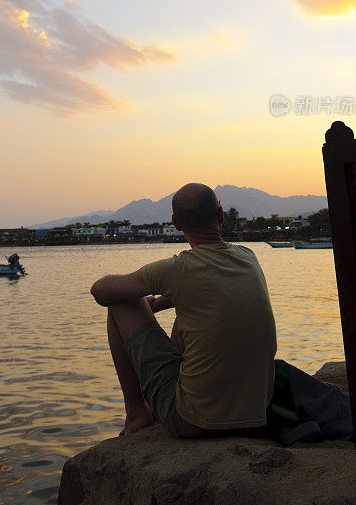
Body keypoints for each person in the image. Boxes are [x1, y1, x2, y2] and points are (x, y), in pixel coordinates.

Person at [90, 182, 277, 439]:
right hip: (256, 413)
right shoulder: (248, 257)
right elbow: (206, 289)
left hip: (194, 420)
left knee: (121, 301)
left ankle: (136, 413)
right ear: (220, 215)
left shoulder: (177, 269)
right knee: (186, 317)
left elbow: (100, 291)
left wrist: (144, 302)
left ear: (176, 224)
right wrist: (159, 302)